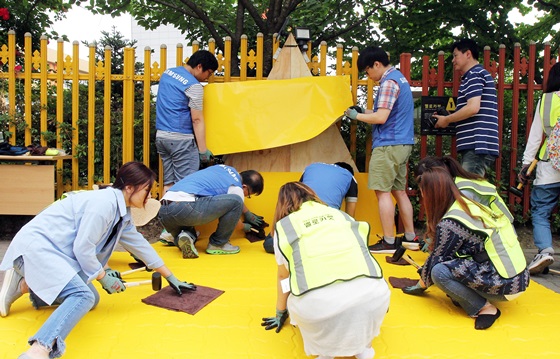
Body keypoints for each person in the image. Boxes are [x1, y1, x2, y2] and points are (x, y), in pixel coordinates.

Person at [0, 162, 196, 359]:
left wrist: (170, 276)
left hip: (54, 254)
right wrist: (103, 276)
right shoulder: (104, 205)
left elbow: (140, 245)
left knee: (91, 298)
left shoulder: (122, 213)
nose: (150, 196)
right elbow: (83, 248)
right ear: (129, 188)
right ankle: (39, 349)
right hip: (35, 251)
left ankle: (26, 287)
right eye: (147, 189)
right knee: (82, 296)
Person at [262, 182, 390, 359]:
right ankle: (362, 348)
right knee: (355, 301)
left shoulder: (284, 227)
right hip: (375, 296)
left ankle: (325, 351)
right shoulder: (341, 216)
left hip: (317, 307)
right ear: (312, 195)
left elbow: (284, 278)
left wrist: (280, 311)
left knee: (295, 288)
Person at [402, 167, 529, 330]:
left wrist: (419, 286)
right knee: (451, 263)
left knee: (439, 272)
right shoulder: (467, 204)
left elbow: (437, 260)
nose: (422, 198)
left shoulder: (451, 222)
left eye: (423, 193)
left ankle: (485, 308)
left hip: (506, 284)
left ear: (433, 194)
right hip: (520, 277)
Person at [344, 46, 418, 253]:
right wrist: (362, 111)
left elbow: (380, 118)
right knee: (400, 192)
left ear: (376, 64)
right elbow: (383, 112)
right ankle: (411, 238)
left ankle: (388, 241)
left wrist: (356, 117)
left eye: (367, 72)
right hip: (402, 143)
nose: (368, 77)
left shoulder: (388, 83)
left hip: (388, 145)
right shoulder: (399, 79)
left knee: (382, 193)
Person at [155, 50, 218, 245]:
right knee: (186, 186)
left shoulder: (168, 73)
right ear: (199, 67)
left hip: (162, 137)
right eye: (208, 72)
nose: (208, 78)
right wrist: (202, 150)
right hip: (181, 139)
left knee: (170, 183)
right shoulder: (194, 86)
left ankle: (167, 227)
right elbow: (197, 119)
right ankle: (182, 230)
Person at [158, 164, 264, 258]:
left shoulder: (224, 168)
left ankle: (182, 237)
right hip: (185, 207)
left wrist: (247, 213)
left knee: (187, 234)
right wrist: (244, 227)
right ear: (244, 187)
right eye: (248, 195)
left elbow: (230, 196)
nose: (246, 196)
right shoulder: (237, 188)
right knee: (236, 202)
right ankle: (218, 244)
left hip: (163, 210)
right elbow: (236, 202)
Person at [432, 38, 499, 177]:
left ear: (468, 54)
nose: (453, 60)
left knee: (468, 191)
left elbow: (473, 107)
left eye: (455, 55)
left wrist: (447, 119)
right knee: (474, 191)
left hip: (476, 145)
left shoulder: (474, 75)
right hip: (478, 145)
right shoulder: (479, 74)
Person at [518, 62, 560, 275]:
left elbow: (536, 135)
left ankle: (544, 251)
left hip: (549, 164)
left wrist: (527, 163)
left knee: (541, 211)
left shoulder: (547, 100)